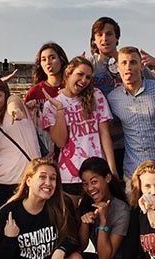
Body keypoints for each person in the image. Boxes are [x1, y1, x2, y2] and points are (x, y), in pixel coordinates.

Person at [89, 16, 155, 178]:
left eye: (109, 34)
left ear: (117, 38)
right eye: (99, 34)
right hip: (104, 140)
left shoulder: (130, 62)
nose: (104, 38)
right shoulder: (91, 66)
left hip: (131, 141)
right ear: (94, 40)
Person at [41, 56, 117, 196]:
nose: (84, 81)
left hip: (97, 170)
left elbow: (104, 133)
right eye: (80, 74)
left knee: (99, 214)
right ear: (68, 73)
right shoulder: (50, 105)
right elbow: (60, 141)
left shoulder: (96, 95)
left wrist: (112, 168)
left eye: (88, 77)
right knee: (71, 216)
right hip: (70, 175)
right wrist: (59, 109)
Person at [107, 47, 155, 187]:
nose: (128, 67)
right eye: (124, 63)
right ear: (117, 67)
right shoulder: (113, 98)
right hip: (134, 173)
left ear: (141, 65)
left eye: (133, 62)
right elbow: (110, 128)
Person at [0, 78, 41, 214]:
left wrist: (15, 111)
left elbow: (14, 103)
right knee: (3, 230)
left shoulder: (14, 101)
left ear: (5, 94)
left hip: (29, 179)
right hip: (1, 183)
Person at [76, 157, 131, 259]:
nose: (89, 188)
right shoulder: (86, 203)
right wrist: (85, 224)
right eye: (85, 183)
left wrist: (103, 221)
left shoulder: (121, 209)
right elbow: (81, 246)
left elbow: (105, 258)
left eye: (94, 181)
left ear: (107, 178)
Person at [25, 42, 70, 155]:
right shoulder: (35, 91)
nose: (48, 63)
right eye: (43, 59)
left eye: (52, 58)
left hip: (72, 146)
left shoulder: (70, 88)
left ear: (62, 59)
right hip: (46, 151)